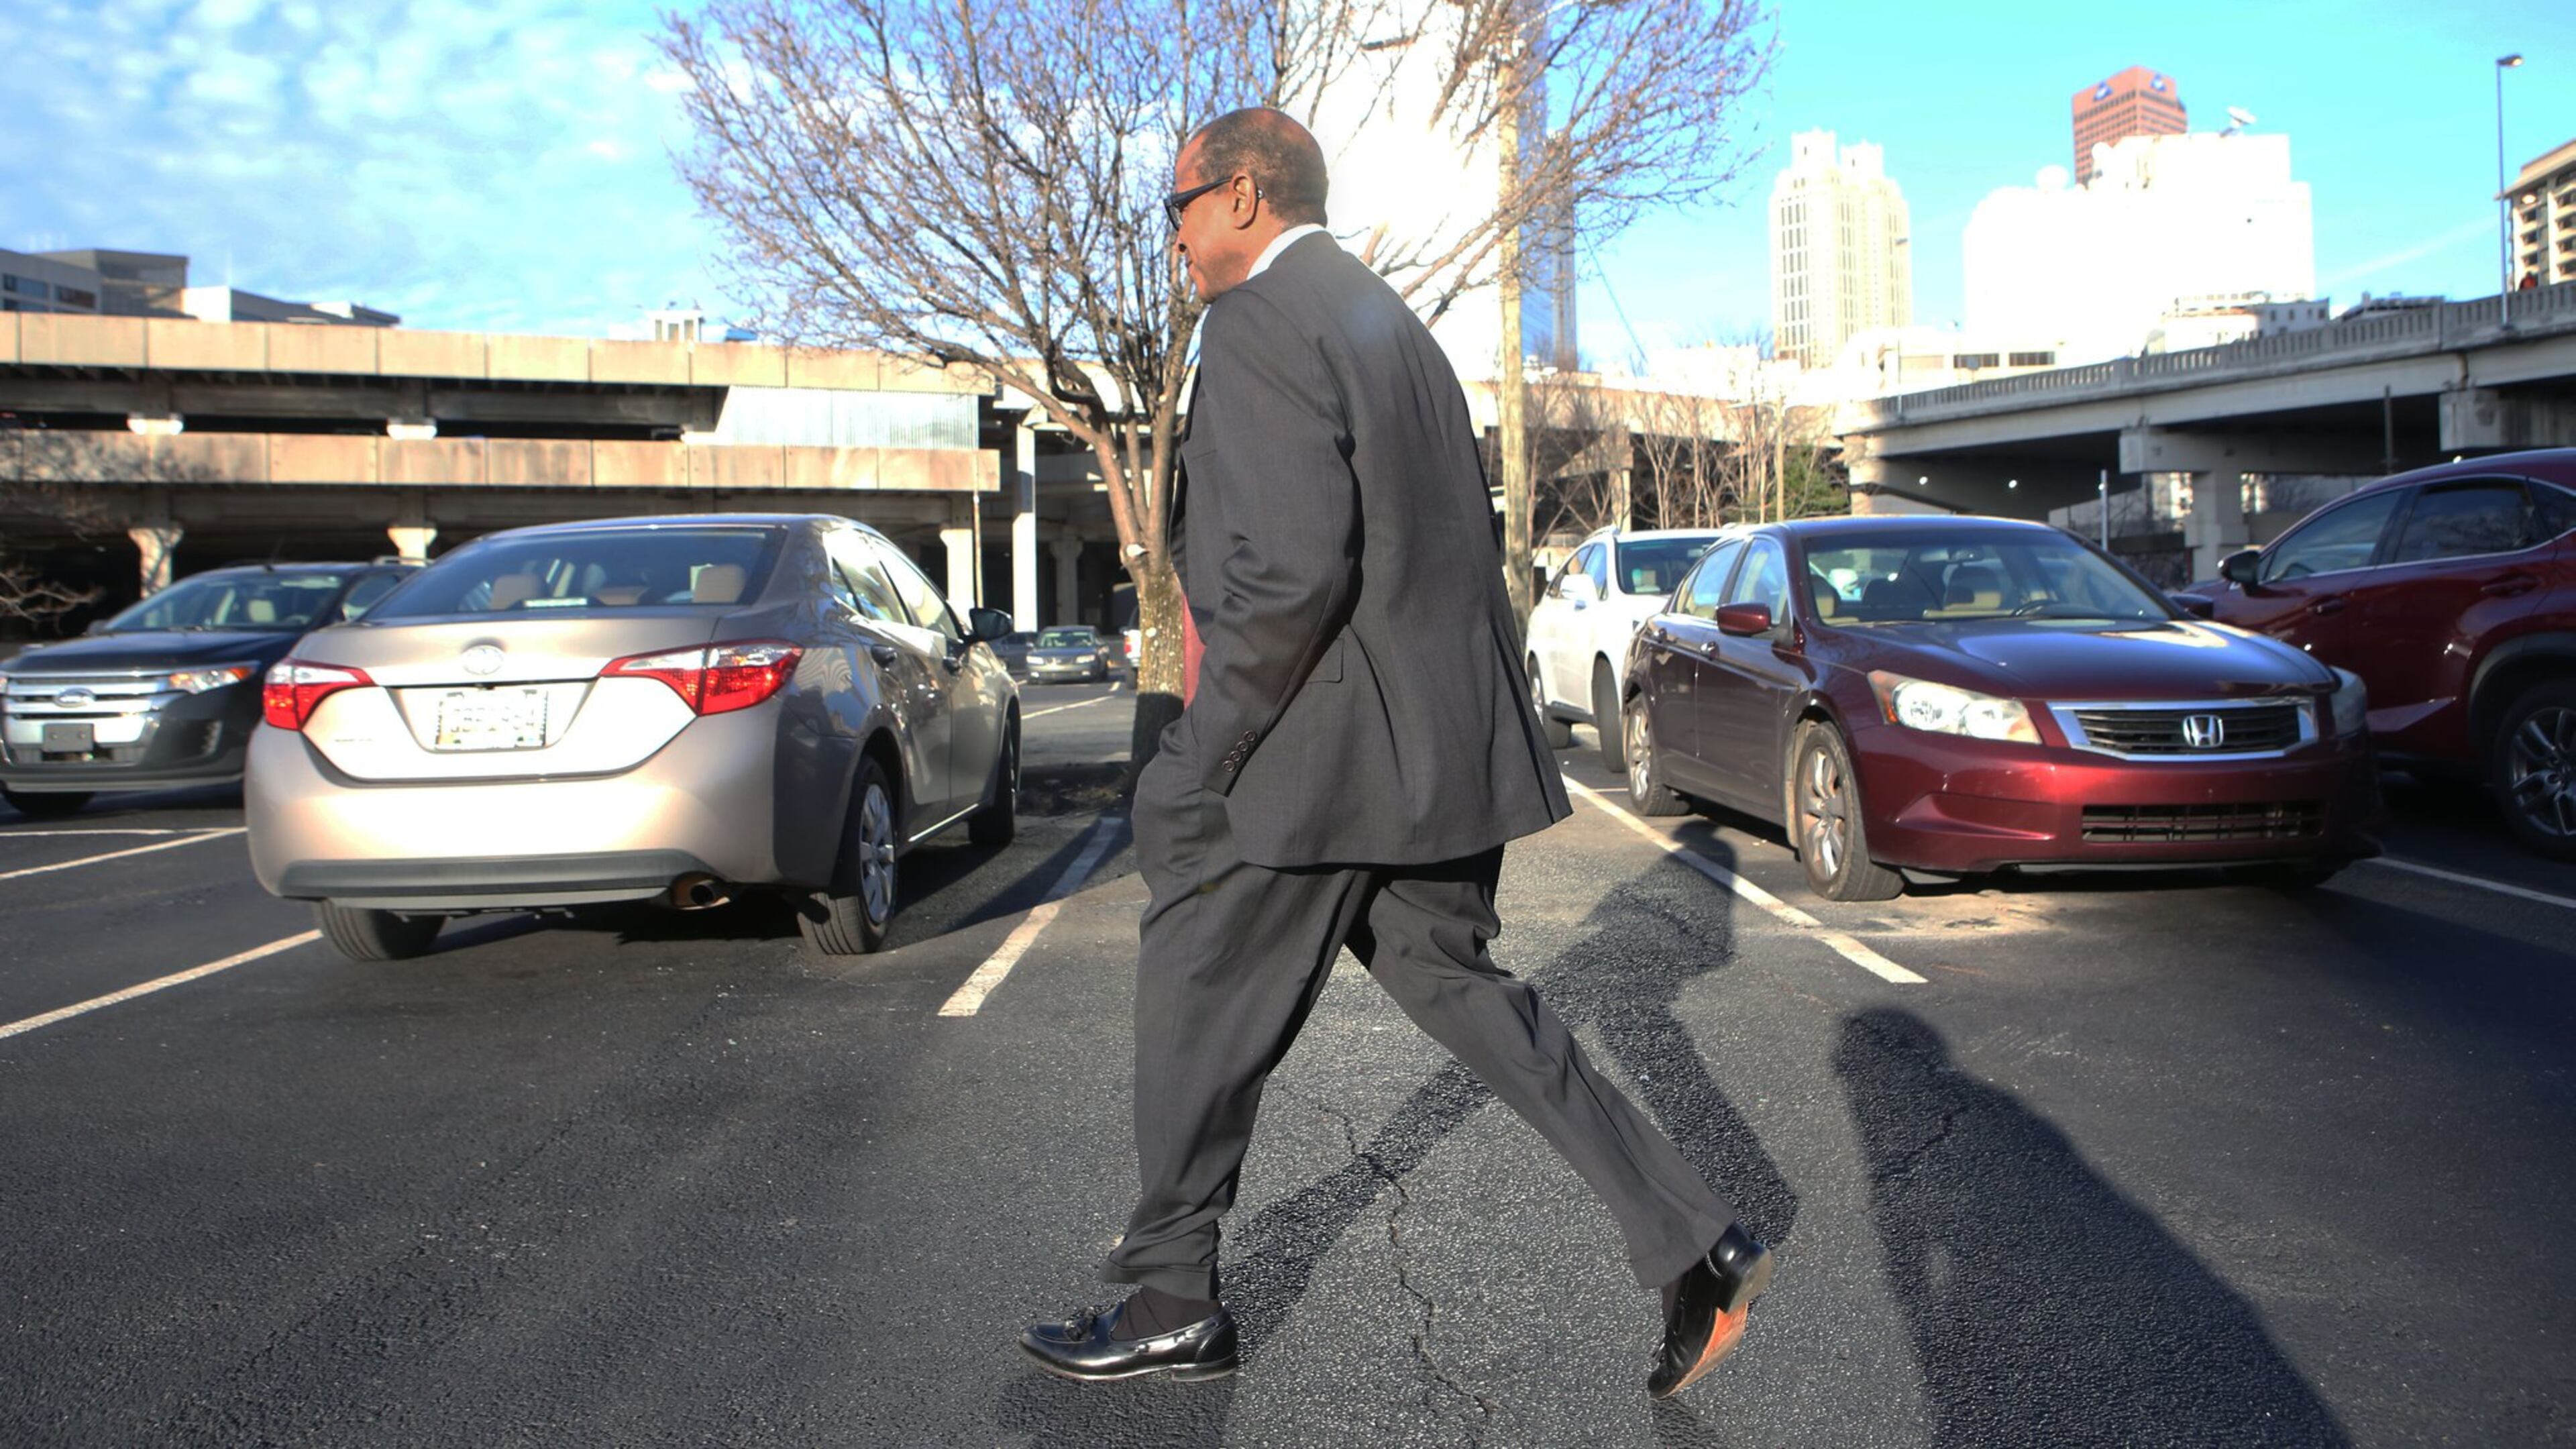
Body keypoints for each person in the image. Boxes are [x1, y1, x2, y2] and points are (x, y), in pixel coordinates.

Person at [1020, 108, 1770, 1399]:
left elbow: (1289, 574)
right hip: (1426, 760)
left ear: (1244, 196)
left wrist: (1201, 756)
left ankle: (1169, 1299)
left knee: (1193, 989)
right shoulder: (1393, 326)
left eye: (1180, 207)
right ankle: (1694, 1244)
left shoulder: (1256, 321)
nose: (1178, 235)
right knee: (1473, 999)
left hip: (1313, 763)